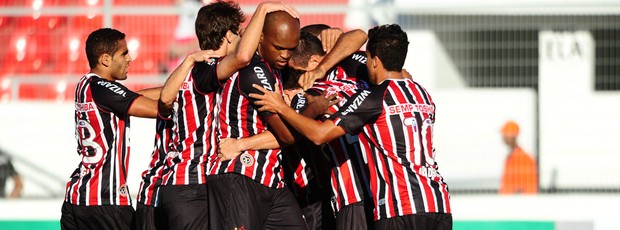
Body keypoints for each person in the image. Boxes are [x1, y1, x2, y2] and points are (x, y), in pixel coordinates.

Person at [250, 24, 452, 230]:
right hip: (435, 199)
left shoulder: (365, 91)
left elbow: (314, 135)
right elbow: (360, 37)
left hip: (385, 202)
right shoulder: (420, 92)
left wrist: (281, 108)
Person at [143, 1, 299, 229]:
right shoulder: (208, 68)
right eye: (238, 33)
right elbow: (243, 56)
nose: (244, 36)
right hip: (192, 180)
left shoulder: (191, 74)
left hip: (188, 180)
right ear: (228, 36)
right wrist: (263, 8)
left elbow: (164, 97)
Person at [207, 10, 308, 230]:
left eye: (290, 49)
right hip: (241, 175)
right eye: (279, 47)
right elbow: (287, 135)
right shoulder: (255, 70)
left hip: (269, 179)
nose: (285, 55)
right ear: (261, 37)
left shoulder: (274, 69)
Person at [60, 28, 160, 230]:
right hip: (106, 201)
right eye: (124, 53)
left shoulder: (85, 84)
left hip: (76, 199)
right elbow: (156, 108)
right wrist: (192, 92)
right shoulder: (103, 89)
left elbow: (130, 96)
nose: (130, 58)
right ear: (105, 59)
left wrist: (183, 86)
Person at [499, 121, 538, 194]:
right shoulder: (510, 157)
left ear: (510, 136)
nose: (502, 137)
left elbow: (529, 187)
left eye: (504, 134)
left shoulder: (524, 158)